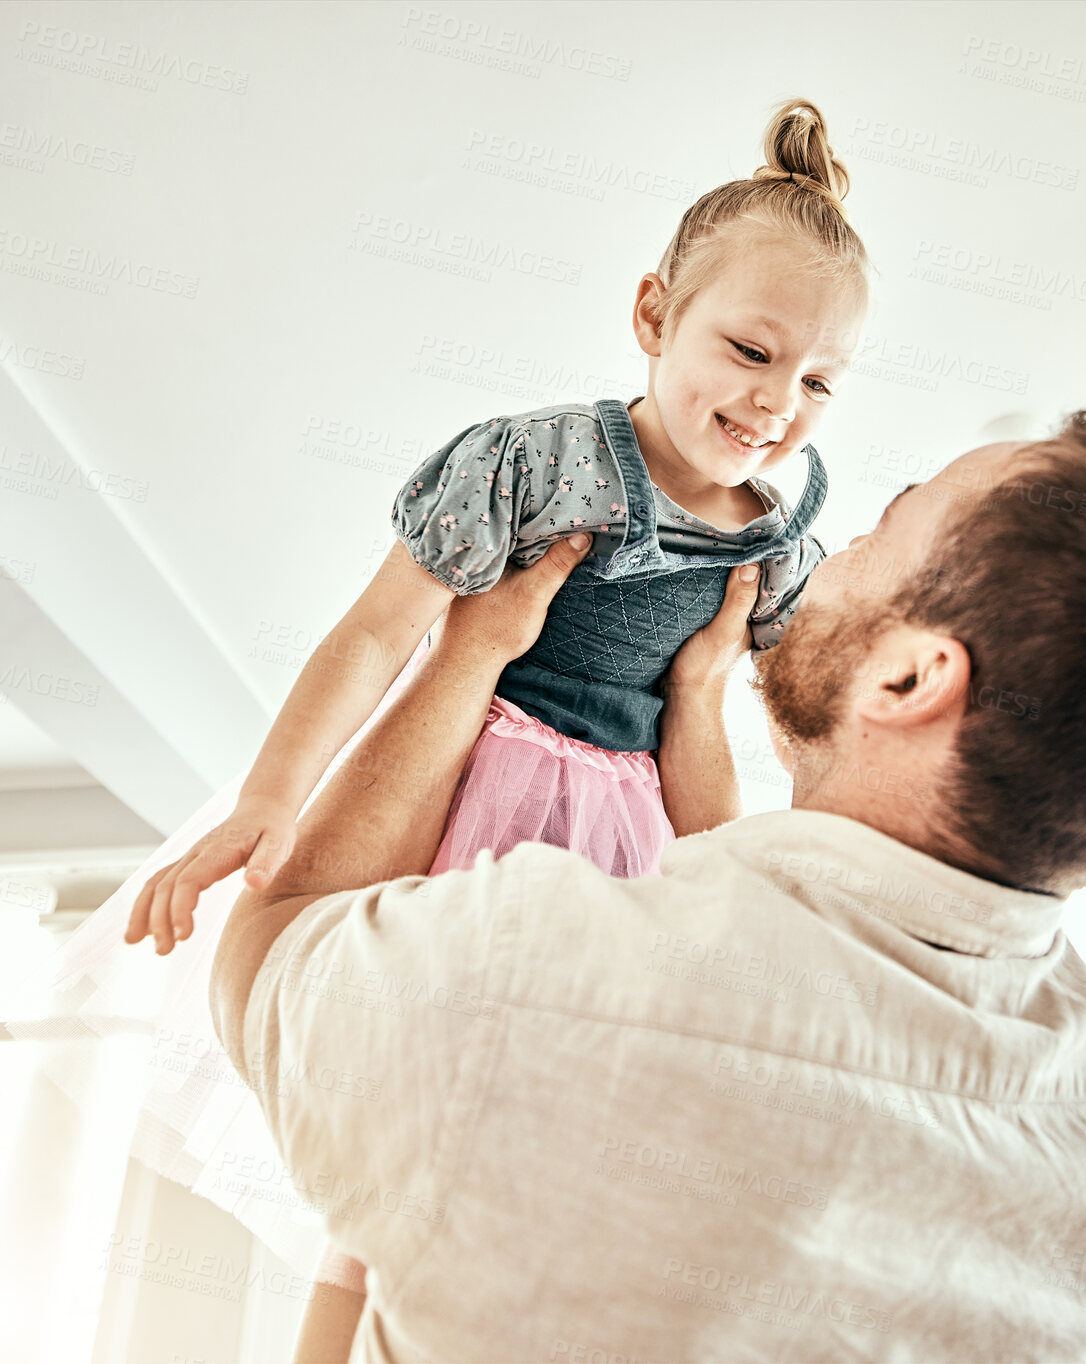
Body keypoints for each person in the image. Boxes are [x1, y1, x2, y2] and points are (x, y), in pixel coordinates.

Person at [12, 95, 871, 1340]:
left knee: (537, 1173)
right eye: (748, 351)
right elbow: (378, 631)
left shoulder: (783, 547)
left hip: (622, 838)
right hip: (467, 779)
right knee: (390, 1153)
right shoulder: (535, 462)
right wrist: (270, 797)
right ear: (652, 316)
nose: (776, 401)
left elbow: (764, 769)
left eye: (817, 380)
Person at [213, 410, 1086, 1362]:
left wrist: (466, 654)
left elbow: (271, 944)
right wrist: (692, 704)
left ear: (909, 677)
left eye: (880, 531)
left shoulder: (540, 968)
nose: (824, 558)